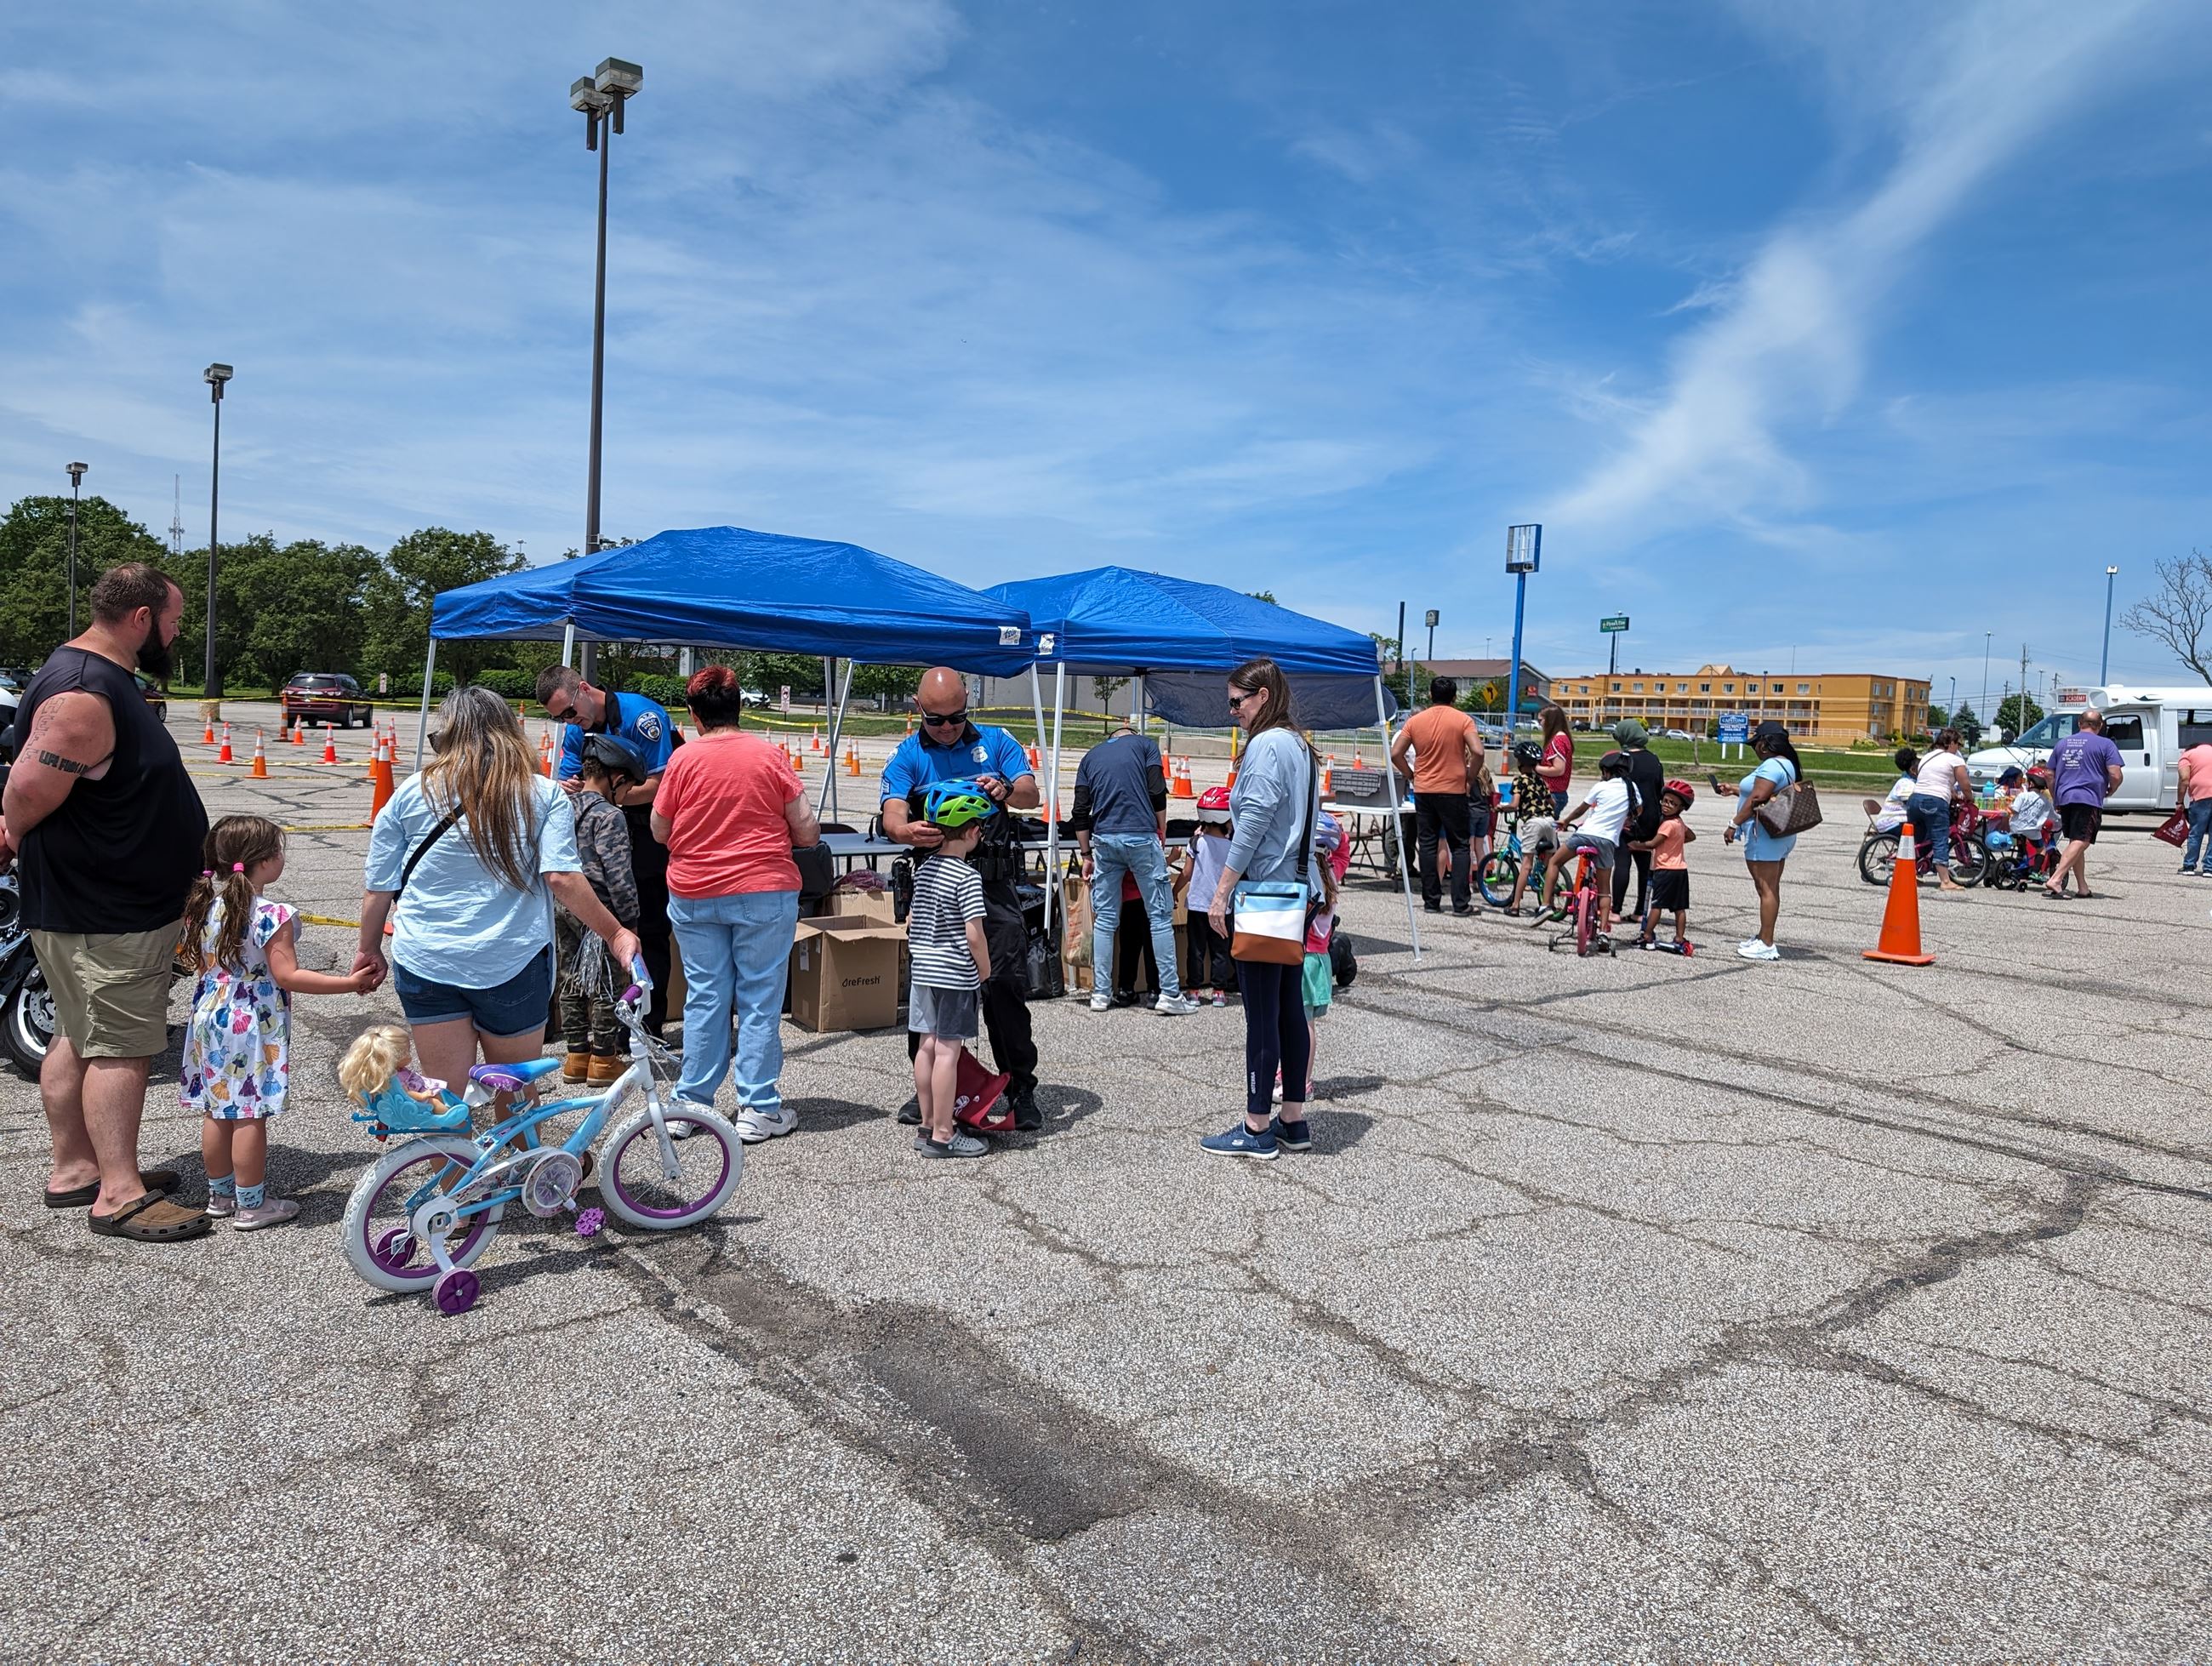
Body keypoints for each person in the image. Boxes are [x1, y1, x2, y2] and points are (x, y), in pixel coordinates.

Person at [1, 563, 210, 1241]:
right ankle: (118, 1194)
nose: (177, 634)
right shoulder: (86, 691)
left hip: (93, 906)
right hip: (105, 911)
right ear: (143, 618)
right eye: (175, 621)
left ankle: (75, 1170)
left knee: (76, 1035)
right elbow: (25, 795)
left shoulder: (92, 677)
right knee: (121, 1048)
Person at [356, 686, 641, 1091]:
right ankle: (521, 1155)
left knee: (445, 1097)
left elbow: (379, 887)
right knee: (516, 1094)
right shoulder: (542, 793)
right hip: (512, 961)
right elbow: (561, 878)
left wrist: (368, 951)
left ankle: (447, 1156)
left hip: (425, 961)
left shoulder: (410, 792)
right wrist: (615, 932)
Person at [180, 815, 375, 1230]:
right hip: (250, 1019)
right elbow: (288, 975)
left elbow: (202, 965)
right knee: (249, 1110)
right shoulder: (272, 913)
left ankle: (220, 1195)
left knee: (218, 1108)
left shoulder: (205, 905)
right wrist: (349, 983)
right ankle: (252, 1204)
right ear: (266, 861)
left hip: (208, 1013)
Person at [648, 665, 816, 1141]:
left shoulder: (683, 760)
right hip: (763, 888)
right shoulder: (769, 756)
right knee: (760, 999)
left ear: (695, 715)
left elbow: (660, 830)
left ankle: (691, 1103)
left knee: (705, 996)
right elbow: (806, 829)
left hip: (695, 890)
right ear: (739, 707)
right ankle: (758, 1106)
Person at [882, 668, 1043, 1130]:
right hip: (934, 887)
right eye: (936, 720)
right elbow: (892, 811)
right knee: (930, 993)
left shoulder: (996, 741)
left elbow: (1031, 793)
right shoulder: (909, 753)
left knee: (1004, 990)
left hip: (991, 889)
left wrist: (1007, 790)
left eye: (956, 718)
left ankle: (1019, 1088)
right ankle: (929, 1092)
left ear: (967, 704)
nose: (948, 728)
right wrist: (904, 830)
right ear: (919, 710)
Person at [1200, 657, 1320, 1161]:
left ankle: (1256, 1125)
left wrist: (1223, 888)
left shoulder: (1268, 745)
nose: (1233, 712)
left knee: (1263, 1014)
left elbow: (1251, 823)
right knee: (1289, 1008)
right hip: (1296, 889)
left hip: (1266, 892)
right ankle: (1292, 1118)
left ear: (1262, 696)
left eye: (1237, 701)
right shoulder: (1299, 744)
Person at [537, 665, 676, 1036]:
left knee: (647, 928)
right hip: (597, 832)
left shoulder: (642, 716)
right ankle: (593, 1035)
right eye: (560, 717)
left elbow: (662, 784)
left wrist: (611, 796)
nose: (569, 721)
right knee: (587, 935)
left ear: (583, 689)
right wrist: (577, 790)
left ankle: (648, 1026)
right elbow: (568, 783)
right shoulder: (573, 731)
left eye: (570, 711)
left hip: (644, 831)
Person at [1075, 717, 1199, 1014]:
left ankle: (1101, 994)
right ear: (1133, 732)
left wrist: (1086, 853)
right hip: (1141, 836)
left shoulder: (1090, 756)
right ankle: (1170, 993)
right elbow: (1157, 791)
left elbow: (1080, 810)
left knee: (1105, 920)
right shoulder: (1146, 746)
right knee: (1158, 917)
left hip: (1104, 841)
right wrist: (1162, 828)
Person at [905, 781, 996, 1160]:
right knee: (948, 1051)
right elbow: (974, 934)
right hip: (954, 974)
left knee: (926, 1047)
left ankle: (927, 1124)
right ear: (973, 831)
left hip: (923, 971)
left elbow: (912, 920)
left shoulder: (924, 870)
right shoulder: (967, 876)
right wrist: (986, 971)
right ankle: (945, 1133)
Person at [556, 738, 643, 1086]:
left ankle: (576, 1056)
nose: (624, 794)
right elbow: (619, 875)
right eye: (626, 786)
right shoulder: (610, 817)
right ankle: (604, 1059)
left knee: (571, 978)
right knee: (607, 982)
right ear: (615, 777)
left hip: (564, 906)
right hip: (601, 910)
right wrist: (628, 922)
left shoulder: (561, 807)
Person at [1389, 676, 1484, 916]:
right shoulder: (1463, 720)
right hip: (1454, 789)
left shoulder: (1415, 721)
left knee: (1428, 844)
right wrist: (1470, 778)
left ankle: (1432, 901)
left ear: (1430, 695)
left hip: (1424, 789)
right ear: (1454, 697)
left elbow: (1396, 753)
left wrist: (1411, 775)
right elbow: (1478, 751)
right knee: (1460, 846)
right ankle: (1461, 903)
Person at [1722, 720, 1803, 961]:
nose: (1754, 748)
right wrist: (1735, 790)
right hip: (1781, 835)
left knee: (1765, 889)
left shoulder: (1770, 765)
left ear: (1766, 745)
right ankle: (1763, 935)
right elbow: (1761, 792)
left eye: (1756, 743)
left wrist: (1733, 823)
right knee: (1770, 888)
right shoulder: (1786, 764)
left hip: (1765, 835)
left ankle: (1767, 943)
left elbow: (1758, 797)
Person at [1533, 750, 1634, 933]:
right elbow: (1639, 809)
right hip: (1607, 842)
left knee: (1555, 862)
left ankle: (1546, 905)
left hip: (1585, 835)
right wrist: (1626, 820)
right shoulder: (1632, 788)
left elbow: (1581, 809)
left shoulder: (1601, 787)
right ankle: (1603, 931)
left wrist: (1565, 821)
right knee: (1604, 889)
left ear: (1607, 771)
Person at [2043, 707, 2124, 899]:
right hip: (2088, 797)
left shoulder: (2062, 743)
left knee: (2075, 840)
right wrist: (2112, 789)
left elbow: (2048, 774)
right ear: (2100, 726)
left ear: (2079, 724)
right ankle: (2056, 879)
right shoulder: (2106, 745)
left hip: (2065, 796)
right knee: (2083, 840)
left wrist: (2056, 796)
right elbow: (2115, 774)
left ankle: (2082, 887)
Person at [1608, 720, 1667, 923]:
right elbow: (1660, 789)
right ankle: (1640, 911)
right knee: (1644, 867)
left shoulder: (1621, 760)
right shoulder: (1654, 760)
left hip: (1626, 818)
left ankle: (1615, 910)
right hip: (1650, 819)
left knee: (1622, 863)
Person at [1628, 781, 1697, 950]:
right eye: (1665, 801)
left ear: (1681, 807)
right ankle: (1680, 938)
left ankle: (1647, 935)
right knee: (1679, 907)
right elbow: (1691, 836)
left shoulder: (1667, 824)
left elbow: (1653, 844)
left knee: (1657, 905)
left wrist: (1636, 845)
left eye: (1673, 804)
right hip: (1680, 870)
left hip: (1665, 869)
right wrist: (1676, 842)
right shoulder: (1679, 823)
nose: (1667, 806)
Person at [1185, 788, 1238, 1005]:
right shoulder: (1233, 847)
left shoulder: (1195, 843)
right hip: (1222, 908)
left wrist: (1174, 890)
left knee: (1196, 950)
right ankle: (1219, 992)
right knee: (1220, 950)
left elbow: (1187, 873)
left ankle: (1194, 991)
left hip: (1197, 905)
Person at [1907, 727, 1973, 892]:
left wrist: (1952, 793)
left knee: (1919, 839)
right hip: (1935, 802)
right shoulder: (1954, 759)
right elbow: (1965, 784)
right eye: (1958, 744)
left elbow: (1935, 779)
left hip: (1915, 799)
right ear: (1950, 744)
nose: (1959, 747)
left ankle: (1912, 874)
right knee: (1940, 837)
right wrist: (1969, 797)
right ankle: (1945, 881)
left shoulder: (1927, 757)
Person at [2176, 733, 2212, 876]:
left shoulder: (2187, 755)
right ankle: (2209, 868)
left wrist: (2179, 802)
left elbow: (2184, 779)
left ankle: (2189, 866)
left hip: (2201, 796)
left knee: (2196, 832)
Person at [1863, 746, 1920, 834]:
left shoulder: (1911, 782)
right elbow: (1912, 805)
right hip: (1891, 824)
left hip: (1897, 822)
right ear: (1913, 770)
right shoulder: (1905, 784)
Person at [1535, 704, 1574, 815]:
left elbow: (1558, 769)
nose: (1540, 724)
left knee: (1541, 828)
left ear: (1550, 721)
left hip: (1553, 793)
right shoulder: (1563, 737)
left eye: (1541, 720)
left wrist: (1537, 768)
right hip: (1557, 793)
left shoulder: (1557, 740)